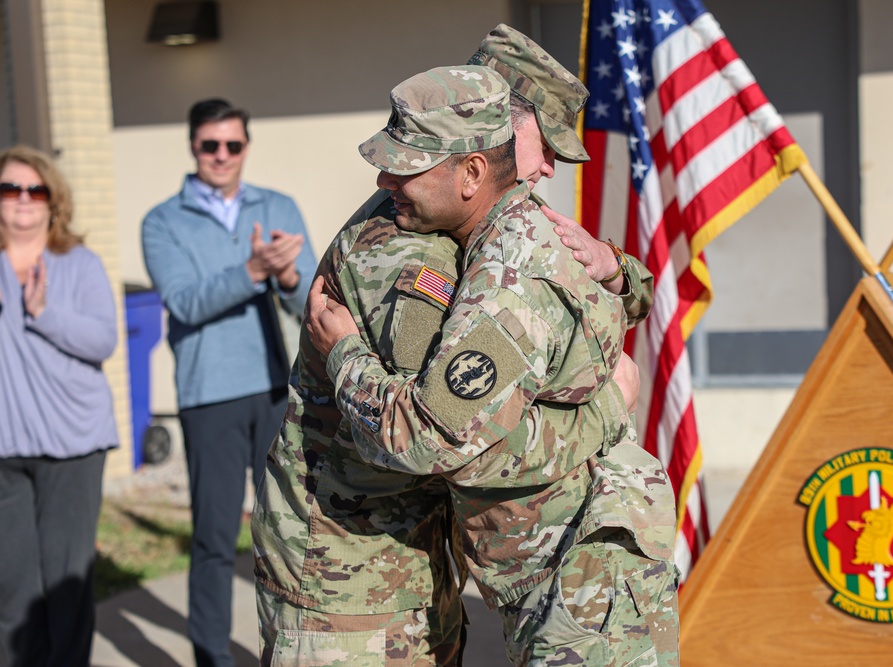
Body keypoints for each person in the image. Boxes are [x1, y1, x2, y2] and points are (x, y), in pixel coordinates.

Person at [252, 31, 650, 664]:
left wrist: (618, 271)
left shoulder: (479, 226)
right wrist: (608, 407)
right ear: (491, 132)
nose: (547, 167)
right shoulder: (409, 249)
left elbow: (581, 293)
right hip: (349, 582)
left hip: (412, 566)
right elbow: (438, 440)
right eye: (544, 145)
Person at [141, 98, 316, 667]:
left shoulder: (278, 206)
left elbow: (312, 295)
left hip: (272, 387)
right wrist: (253, 271)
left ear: (246, 147)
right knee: (215, 540)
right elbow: (185, 302)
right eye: (209, 145)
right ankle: (212, 658)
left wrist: (285, 275)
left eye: (232, 145)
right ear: (193, 147)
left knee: (287, 532)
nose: (221, 155)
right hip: (207, 395)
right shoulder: (162, 221)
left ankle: (292, 649)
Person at [0, 145, 119, 667]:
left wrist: (45, 313)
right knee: (12, 590)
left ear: (53, 200)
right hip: (5, 448)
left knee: (65, 587)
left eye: (35, 189)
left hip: (72, 445)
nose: (23, 200)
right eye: (10, 189)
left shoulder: (77, 262)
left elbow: (102, 340)